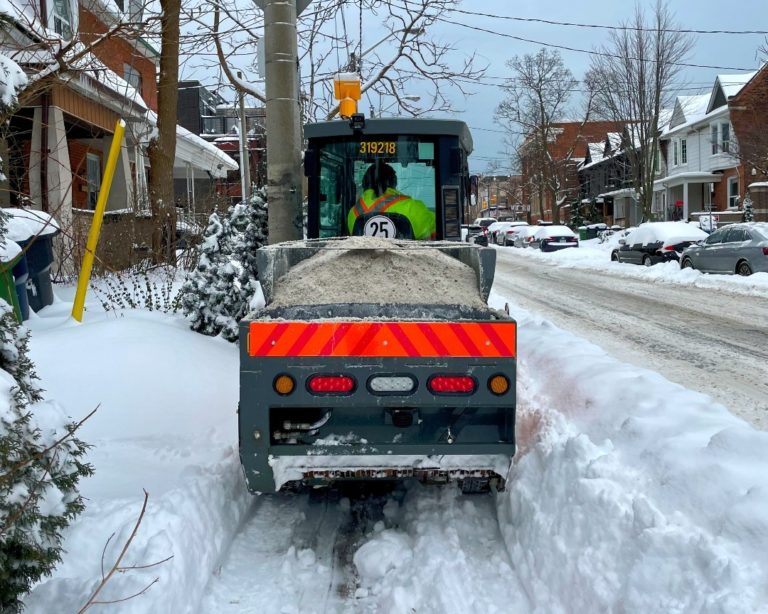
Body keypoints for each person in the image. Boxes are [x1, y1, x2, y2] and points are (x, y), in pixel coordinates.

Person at [347, 161, 435, 240]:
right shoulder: (413, 207)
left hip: (365, 258)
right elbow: (434, 232)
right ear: (394, 182)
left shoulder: (353, 212)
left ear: (364, 184)